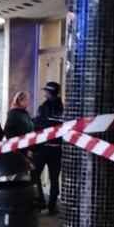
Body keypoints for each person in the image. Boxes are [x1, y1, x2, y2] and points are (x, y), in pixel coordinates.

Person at [32, 82, 65, 214]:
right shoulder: (62, 108)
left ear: (49, 92)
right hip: (56, 148)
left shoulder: (44, 107)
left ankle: (41, 203)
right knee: (54, 178)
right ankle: (51, 206)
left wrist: (35, 121)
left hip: (43, 148)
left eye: (45, 90)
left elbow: (38, 125)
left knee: (34, 174)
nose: (44, 93)